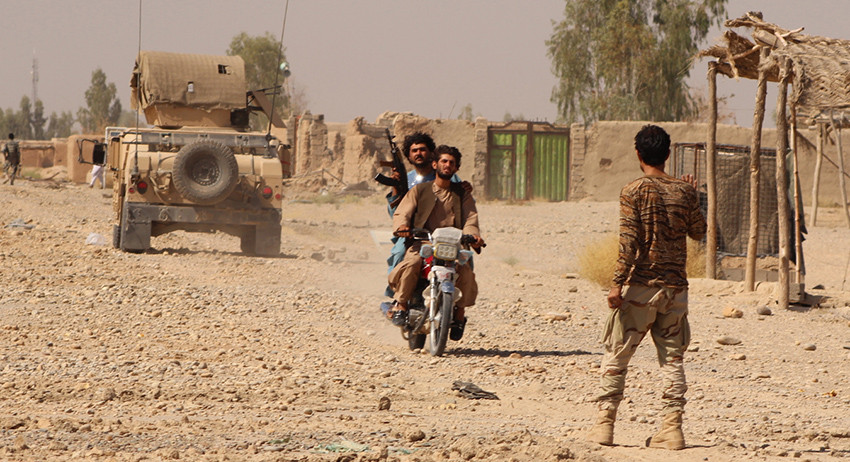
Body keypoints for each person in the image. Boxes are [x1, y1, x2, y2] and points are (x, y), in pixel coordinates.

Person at [587, 125, 707, 450]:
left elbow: (629, 242)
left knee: (617, 354)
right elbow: (699, 232)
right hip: (675, 290)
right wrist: (692, 196)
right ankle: (672, 429)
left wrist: (616, 284)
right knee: (673, 359)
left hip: (641, 286)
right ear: (667, 154)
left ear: (638, 154)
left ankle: (604, 426)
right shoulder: (684, 192)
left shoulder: (633, 190)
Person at [386, 145, 484, 341]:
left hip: (452, 244)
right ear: (435, 164)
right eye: (444, 161)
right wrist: (403, 226)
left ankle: (459, 313)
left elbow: (470, 219)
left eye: (451, 163)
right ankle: (401, 304)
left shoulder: (462, 194)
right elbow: (403, 212)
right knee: (412, 263)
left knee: (465, 270)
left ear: (456, 168)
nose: (447, 165)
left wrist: (473, 236)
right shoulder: (419, 190)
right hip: (423, 242)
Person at [383, 132, 467, 297]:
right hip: (413, 233)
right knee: (399, 255)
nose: (419, 154)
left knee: (465, 260)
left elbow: (460, 201)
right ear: (409, 156)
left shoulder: (445, 174)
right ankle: (398, 297)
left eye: (422, 149)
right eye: (414, 151)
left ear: (431, 153)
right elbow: (396, 213)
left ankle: (459, 303)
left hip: (444, 231)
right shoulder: (407, 179)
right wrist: (396, 186)